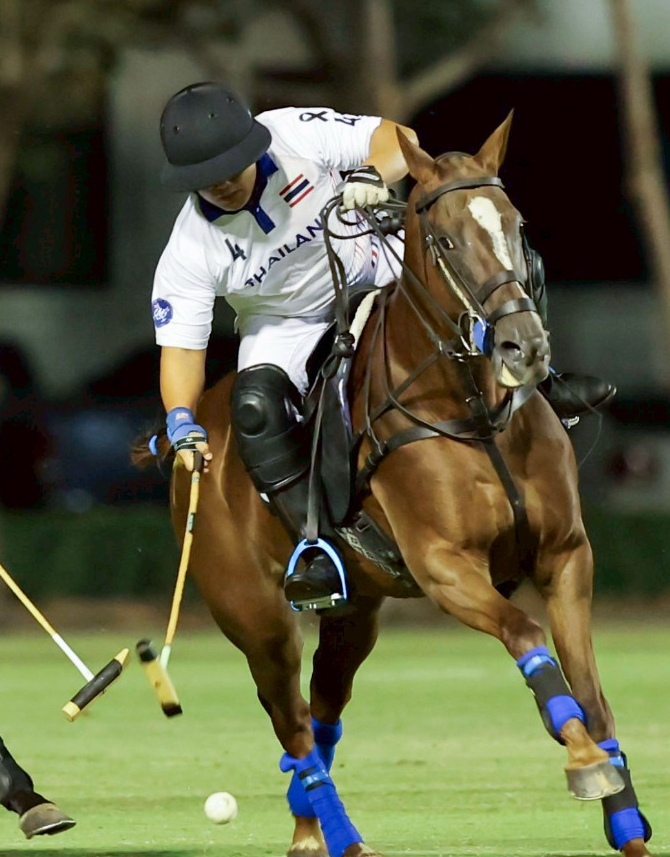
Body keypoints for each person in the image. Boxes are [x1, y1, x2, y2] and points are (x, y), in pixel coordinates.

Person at [150, 82, 614, 612]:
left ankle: (543, 380)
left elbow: (396, 139)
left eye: (231, 169)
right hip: (287, 322)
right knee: (254, 409)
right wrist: (180, 419)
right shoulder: (189, 248)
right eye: (206, 180)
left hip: (373, 260)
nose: (222, 184)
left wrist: (372, 175)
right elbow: (181, 349)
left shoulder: (293, 133)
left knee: (510, 266)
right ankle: (315, 544)